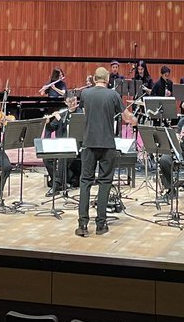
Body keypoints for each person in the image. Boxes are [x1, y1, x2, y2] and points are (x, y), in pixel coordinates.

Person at [75, 66, 134, 237]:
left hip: (88, 144)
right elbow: (125, 117)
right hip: (107, 144)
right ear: (108, 79)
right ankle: (101, 225)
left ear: (94, 79)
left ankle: (83, 225)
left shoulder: (85, 94)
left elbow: (86, 113)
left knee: (85, 182)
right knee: (105, 183)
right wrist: (133, 119)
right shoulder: (113, 95)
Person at [44, 94, 82, 194]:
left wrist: (60, 120)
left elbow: (76, 129)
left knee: (62, 156)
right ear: (65, 102)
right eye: (70, 102)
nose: (73, 103)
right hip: (62, 143)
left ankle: (57, 184)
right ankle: (60, 180)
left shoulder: (80, 114)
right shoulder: (63, 113)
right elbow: (50, 128)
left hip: (75, 144)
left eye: (74, 101)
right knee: (46, 158)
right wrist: (48, 122)